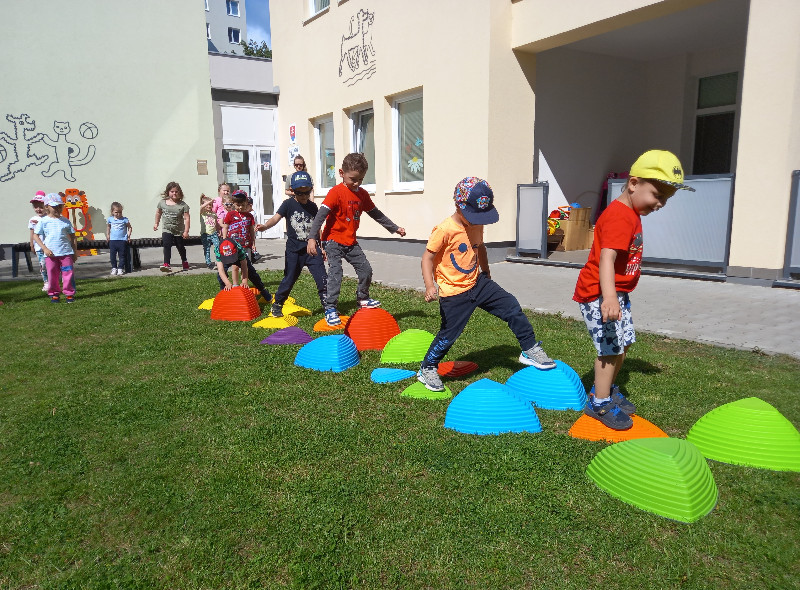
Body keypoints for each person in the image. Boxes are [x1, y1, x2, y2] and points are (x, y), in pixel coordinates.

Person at [574, 149, 695, 430]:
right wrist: (609, 297)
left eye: (666, 199)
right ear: (633, 183)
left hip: (616, 294)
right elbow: (607, 258)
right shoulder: (620, 216)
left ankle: (607, 388)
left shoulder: (631, 212)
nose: (660, 204)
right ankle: (599, 403)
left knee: (624, 342)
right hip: (599, 294)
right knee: (610, 348)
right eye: (657, 195)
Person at [415, 177, 556, 391]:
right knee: (448, 335)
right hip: (453, 292)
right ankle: (427, 368)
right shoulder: (444, 230)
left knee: (511, 306)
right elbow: (427, 257)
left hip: (478, 283)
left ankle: (529, 348)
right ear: (458, 206)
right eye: (474, 216)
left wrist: (486, 271)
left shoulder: (476, 225)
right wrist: (429, 285)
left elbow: (480, 247)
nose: (477, 221)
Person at [307, 152, 406, 326]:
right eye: (353, 179)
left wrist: (394, 228)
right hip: (332, 240)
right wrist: (312, 238)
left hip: (350, 242)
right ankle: (330, 308)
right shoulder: (335, 193)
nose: (357, 183)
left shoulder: (362, 195)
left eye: (361, 179)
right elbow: (320, 216)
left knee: (366, 269)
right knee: (336, 273)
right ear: (341, 173)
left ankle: (363, 298)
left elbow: (376, 214)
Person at [256, 170, 328, 317]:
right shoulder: (288, 204)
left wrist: (322, 247)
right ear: (292, 191)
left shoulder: (313, 207)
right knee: (289, 279)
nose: (304, 196)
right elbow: (276, 218)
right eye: (299, 193)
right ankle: (278, 304)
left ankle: (329, 306)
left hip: (312, 249)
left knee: (322, 278)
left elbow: (317, 228)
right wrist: (264, 226)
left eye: (307, 192)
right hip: (294, 250)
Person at [220, 189, 271, 302]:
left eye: (243, 205)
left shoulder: (249, 216)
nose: (240, 207)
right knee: (233, 266)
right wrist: (224, 241)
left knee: (246, 267)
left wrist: (253, 243)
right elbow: (225, 227)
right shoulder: (230, 214)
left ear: (247, 203)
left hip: (245, 246)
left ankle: (251, 285)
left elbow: (251, 230)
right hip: (232, 248)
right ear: (233, 203)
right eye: (238, 205)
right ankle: (232, 287)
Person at [32, 193, 78, 303]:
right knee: (52, 274)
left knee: (68, 273)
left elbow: (73, 237)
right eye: (54, 206)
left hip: (66, 253)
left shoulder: (65, 221)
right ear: (47, 207)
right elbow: (35, 235)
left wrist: (75, 252)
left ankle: (69, 293)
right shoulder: (43, 221)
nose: (58, 208)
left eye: (60, 206)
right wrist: (44, 249)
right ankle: (54, 294)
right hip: (51, 254)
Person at [153, 181, 190, 272]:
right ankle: (166, 264)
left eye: (176, 191)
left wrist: (186, 231)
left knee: (180, 247)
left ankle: (184, 261)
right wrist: (156, 223)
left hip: (178, 230)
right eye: (172, 191)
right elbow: (158, 213)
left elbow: (187, 218)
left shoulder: (183, 205)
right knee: (166, 245)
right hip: (167, 229)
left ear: (179, 192)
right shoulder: (162, 203)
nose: (174, 193)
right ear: (168, 192)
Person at [28, 190, 48, 292]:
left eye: (41, 207)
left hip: (50, 246)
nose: (38, 209)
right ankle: (46, 282)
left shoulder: (49, 218)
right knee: (43, 265)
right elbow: (32, 232)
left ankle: (54, 281)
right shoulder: (33, 219)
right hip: (39, 248)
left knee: (52, 266)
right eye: (36, 207)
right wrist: (32, 244)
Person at [106, 201, 132, 276]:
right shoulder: (110, 219)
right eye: (116, 212)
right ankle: (114, 268)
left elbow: (130, 227)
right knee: (112, 255)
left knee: (122, 255)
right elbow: (108, 227)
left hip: (122, 240)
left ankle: (120, 268)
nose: (118, 214)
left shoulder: (124, 219)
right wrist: (108, 235)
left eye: (120, 212)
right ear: (112, 212)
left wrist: (128, 236)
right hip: (113, 240)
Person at [199, 194, 220, 269]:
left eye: (210, 205)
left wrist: (218, 230)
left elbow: (216, 223)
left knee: (217, 246)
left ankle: (218, 261)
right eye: (207, 205)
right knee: (207, 248)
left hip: (213, 233)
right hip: (205, 234)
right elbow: (201, 207)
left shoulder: (213, 214)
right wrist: (210, 201)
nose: (209, 206)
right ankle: (208, 263)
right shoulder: (202, 213)